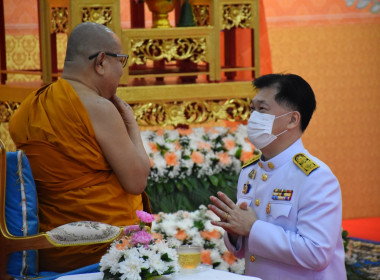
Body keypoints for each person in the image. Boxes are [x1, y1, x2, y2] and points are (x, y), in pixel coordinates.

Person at [9, 22, 151, 272]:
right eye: (122, 61)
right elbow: (137, 181)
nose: (122, 73)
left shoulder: (27, 108)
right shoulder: (97, 107)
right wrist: (131, 123)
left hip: (51, 248)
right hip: (102, 249)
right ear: (101, 62)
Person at [208, 74, 346, 279]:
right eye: (252, 109)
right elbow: (244, 250)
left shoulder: (315, 177)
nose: (253, 117)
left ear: (292, 119)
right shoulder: (250, 171)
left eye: (262, 109)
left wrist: (253, 228)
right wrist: (235, 230)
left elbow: (316, 254)